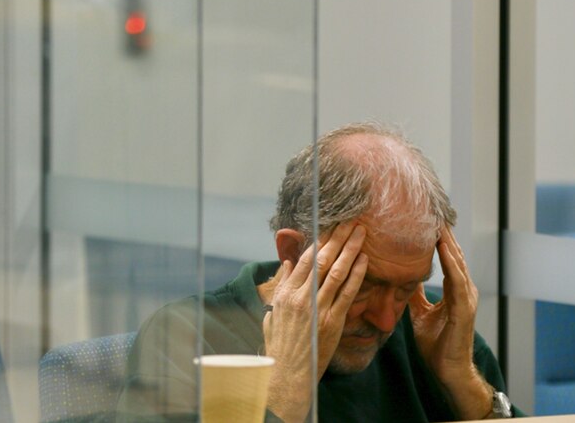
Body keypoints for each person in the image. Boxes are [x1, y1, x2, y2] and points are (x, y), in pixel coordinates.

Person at [115, 122, 521, 422]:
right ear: (293, 251)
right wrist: (286, 384)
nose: (385, 318)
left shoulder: (433, 338)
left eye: (407, 288)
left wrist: (462, 380)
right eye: (362, 285)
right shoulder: (188, 337)